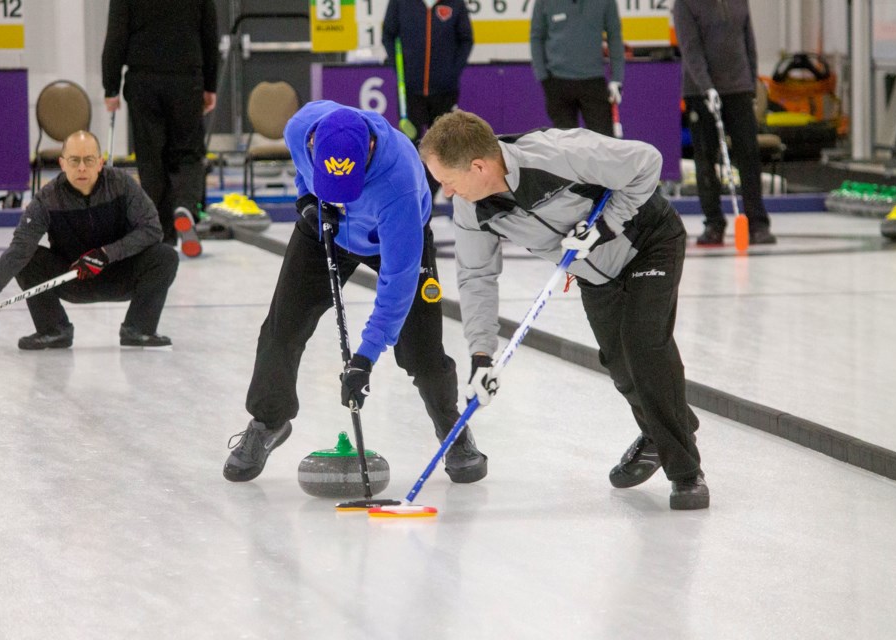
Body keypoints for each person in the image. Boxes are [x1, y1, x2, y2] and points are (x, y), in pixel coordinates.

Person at [420, 110, 709, 510]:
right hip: (594, 273)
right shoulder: (473, 210)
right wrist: (481, 356)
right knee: (621, 368)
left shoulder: (557, 153)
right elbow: (476, 277)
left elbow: (647, 161)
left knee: (645, 346)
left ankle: (686, 472)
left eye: (448, 182)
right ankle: (664, 429)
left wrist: (605, 226)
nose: (447, 193)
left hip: (647, 241)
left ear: (478, 166)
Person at [221, 100, 487, 485]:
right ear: (313, 144)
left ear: (370, 153)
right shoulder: (300, 129)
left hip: (388, 240)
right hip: (325, 227)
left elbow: (397, 282)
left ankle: (452, 429)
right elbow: (301, 173)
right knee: (282, 328)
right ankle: (268, 421)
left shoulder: (400, 183)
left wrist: (365, 357)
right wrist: (308, 201)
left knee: (421, 351)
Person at [0, 131, 178, 349]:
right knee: (28, 258)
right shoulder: (46, 199)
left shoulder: (122, 184)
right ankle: (53, 329)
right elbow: (18, 250)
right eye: (74, 160)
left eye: (89, 160)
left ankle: (139, 328)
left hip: (120, 273)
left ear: (100, 163)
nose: (81, 167)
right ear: (62, 164)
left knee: (165, 256)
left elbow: (152, 230)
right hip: (72, 278)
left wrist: (106, 254)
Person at [102, 0, 219, 257]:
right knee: (189, 152)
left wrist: (110, 86)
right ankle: (186, 207)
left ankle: (161, 233)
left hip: (143, 78)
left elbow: (116, 34)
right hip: (187, 77)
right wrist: (211, 84)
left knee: (150, 157)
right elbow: (210, 33)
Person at [673, 0, 776, 246]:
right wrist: (706, 86)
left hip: (738, 88)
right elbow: (691, 49)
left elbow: (748, 42)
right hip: (700, 92)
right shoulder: (685, 4)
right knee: (706, 157)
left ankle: (757, 223)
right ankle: (713, 223)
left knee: (748, 155)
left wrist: (751, 84)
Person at [382, 0, 474, 198]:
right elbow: (388, 35)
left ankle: (431, 194)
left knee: (443, 145)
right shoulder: (400, 3)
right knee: (410, 144)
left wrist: (453, 71)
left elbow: (466, 39)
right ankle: (411, 193)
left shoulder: (455, 3)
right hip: (410, 90)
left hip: (444, 90)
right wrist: (398, 68)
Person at [529, 0, 624, 135]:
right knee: (564, 145)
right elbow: (536, 37)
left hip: (594, 81)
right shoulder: (544, 2)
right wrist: (543, 77)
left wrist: (617, 78)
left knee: (603, 143)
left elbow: (614, 36)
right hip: (557, 82)